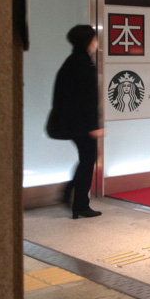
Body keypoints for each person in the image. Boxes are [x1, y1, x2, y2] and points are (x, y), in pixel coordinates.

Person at [51, 25, 104, 219]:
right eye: (94, 39)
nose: (96, 42)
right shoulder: (83, 64)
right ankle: (79, 204)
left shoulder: (71, 62)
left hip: (73, 123)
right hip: (82, 124)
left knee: (87, 159)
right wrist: (93, 127)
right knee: (88, 160)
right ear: (87, 41)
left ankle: (69, 195)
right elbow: (87, 99)